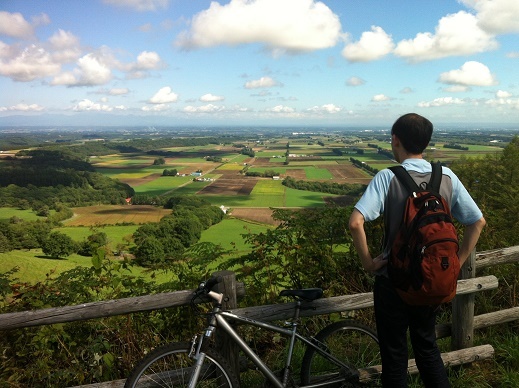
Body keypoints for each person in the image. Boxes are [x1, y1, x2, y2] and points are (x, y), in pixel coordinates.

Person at [348, 113, 486, 387]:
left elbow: (355, 222)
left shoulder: (388, 177)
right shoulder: (446, 176)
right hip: (432, 279)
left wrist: (368, 263)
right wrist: (455, 263)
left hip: (393, 281)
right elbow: (477, 221)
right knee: (427, 348)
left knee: (395, 356)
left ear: (395, 140)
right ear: (425, 142)